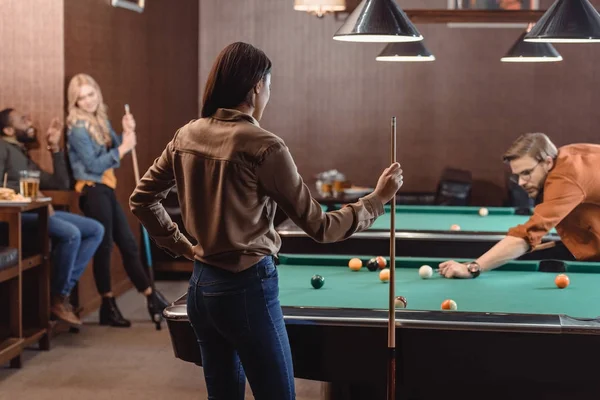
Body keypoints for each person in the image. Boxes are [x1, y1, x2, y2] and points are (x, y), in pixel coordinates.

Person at [129, 42, 403, 400]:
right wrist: (377, 200)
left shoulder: (187, 134)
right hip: (247, 289)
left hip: (201, 288)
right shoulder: (265, 145)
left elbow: (142, 199)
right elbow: (321, 227)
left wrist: (182, 245)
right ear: (257, 86)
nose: (269, 94)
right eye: (269, 86)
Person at [65, 73, 169, 328]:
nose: (88, 101)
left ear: (97, 93)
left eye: (90, 94)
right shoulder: (77, 128)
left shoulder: (99, 120)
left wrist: (126, 132)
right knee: (105, 247)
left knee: (128, 243)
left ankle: (150, 296)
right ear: (75, 102)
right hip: (92, 190)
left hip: (106, 189)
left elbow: (116, 146)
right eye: (81, 98)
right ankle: (107, 304)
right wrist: (123, 148)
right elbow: (93, 164)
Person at [439, 132, 600, 279]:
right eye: (517, 176)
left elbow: (528, 234)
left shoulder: (566, 177)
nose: (521, 182)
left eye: (526, 173)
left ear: (548, 162)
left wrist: (473, 268)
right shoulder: (567, 157)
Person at [0, 108, 104, 326]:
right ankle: (58, 297)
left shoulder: (22, 155)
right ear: (8, 129)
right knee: (71, 234)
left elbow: (59, 184)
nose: (29, 119)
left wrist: (55, 148)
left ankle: (59, 293)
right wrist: (33, 198)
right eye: (22, 118)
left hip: (36, 212)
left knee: (95, 229)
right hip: (15, 217)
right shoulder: (2, 149)